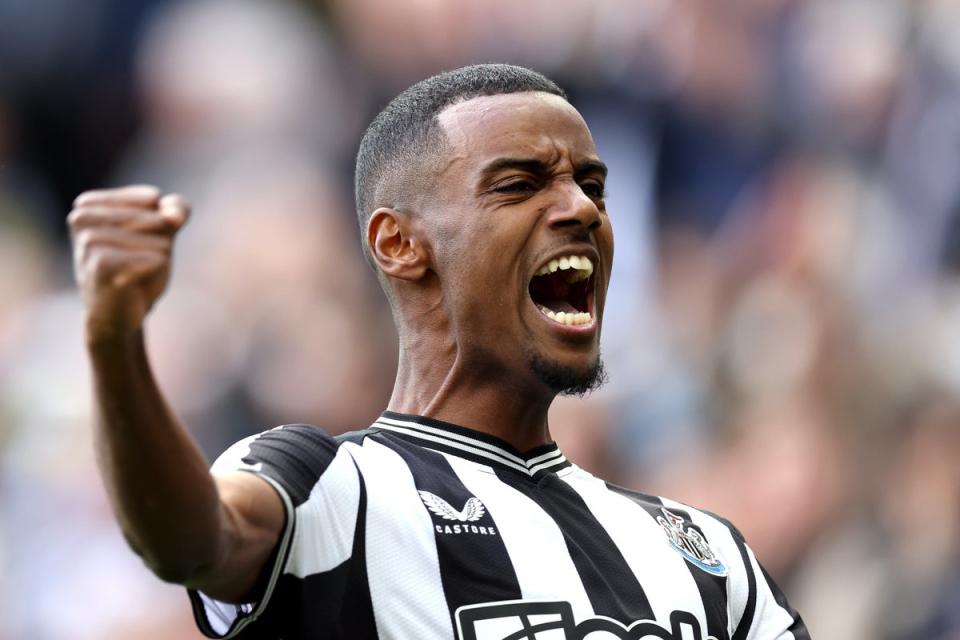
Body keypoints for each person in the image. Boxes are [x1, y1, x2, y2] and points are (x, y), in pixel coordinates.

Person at [69, 64, 808, 640]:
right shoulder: (334, 494)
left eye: (591, 185)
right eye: (519, 183)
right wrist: (114, 342)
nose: (582, 209)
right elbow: (186, 537)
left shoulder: (704, 554)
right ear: (400, 244)